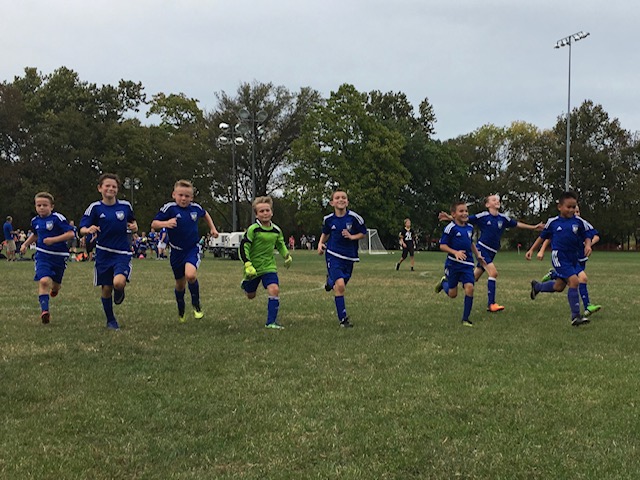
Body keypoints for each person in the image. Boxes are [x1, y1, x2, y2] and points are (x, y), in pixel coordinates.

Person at [438, 194, 543, 312]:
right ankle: (491, 304)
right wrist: (449, 217)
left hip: (492, 252)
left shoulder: (503, 218)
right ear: (487, 204)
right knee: (493, 273)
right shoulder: (483, 216)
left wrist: (534, 227)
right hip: (482, 249)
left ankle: (446, 282)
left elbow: (517, 224)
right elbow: (464, 219)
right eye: (494, 200)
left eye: (498, 200)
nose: (497, 201)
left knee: (472, 279)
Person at [151, 179, 219, 323]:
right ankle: (181, 309)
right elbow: (154, 224)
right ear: (174, 195)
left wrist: (212, 228)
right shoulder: (169, 208)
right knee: (180, 284)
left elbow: (205, 214)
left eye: (187, 196)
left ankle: (196, 304)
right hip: (176, 252)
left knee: (190, 275)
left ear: (192, 197)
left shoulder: (195, 208)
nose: (183, 198)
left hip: (192, 249)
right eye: (181, 195)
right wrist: (166, 223)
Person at [525, 191, 593, 327]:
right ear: (560, 207)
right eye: (569, 207)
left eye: (574, 207)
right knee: (574, 281)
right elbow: (542, 237)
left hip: (573, 258)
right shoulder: (553, 222)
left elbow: (587, 235)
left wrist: (588, 245)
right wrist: (532, 250)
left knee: (559, 286)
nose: (572, 210)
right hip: (559, 257)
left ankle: (538, 287)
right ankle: (576, 317)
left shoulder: (578, 222)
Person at [80, 173, 138, 330]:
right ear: (100, 188)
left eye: (114, 186)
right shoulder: (95, 208)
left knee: (118, 282)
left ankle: (120, 289)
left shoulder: (125, 206)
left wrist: (135, 227)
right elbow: (83, 228)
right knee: (106, 289)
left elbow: (133, 222)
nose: (111, 189)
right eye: (107, 185)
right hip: (103, 253)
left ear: (117, 189)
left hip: (122, 253)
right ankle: (111, 320)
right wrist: (88, 229)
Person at [20, 192, 75, 324]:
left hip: (59, 257)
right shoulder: (35, 221)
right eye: (39, 205)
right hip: (42, 255)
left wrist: (53, 240)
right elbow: (35, 234)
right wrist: (25, 244)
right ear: (35, 207)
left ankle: (55, 289)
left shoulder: (58, 218)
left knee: (56, 285)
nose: (41, 208)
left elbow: (71, 234)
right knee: (44, 281)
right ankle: (45, 311)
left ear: (52, 206)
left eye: (45, 205)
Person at [239, 196, 292, 329]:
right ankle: (245, 284)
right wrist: (247, 264)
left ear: (271, 212)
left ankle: (271, 322)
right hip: (253, 268)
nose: (265, 213)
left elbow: (280, 244)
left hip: (269, 266)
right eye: (261, 211)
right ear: (256, 214)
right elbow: (244, 246)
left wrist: (286, 255)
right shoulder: (253, 229)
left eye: (267, 210)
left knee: (274, 289)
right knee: (251, 295)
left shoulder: (276, 230)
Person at [317, 190, 367, 328]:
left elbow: (363, 233)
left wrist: (352, 237)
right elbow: (325, 233)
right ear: (332, 202)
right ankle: (343, 319)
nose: (341, 199)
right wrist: (320, 244)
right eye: (337, 197)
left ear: (347, 202)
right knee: (340, 287)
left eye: (344, 197)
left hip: (349, 257)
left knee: (340, 284)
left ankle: (329, 281)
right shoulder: (328, 219)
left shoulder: (354, 218)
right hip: (333, 255)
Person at [435, 201, 486, 327]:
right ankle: (444, 283)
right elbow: (442, 246)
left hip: (467, 264)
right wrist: (455, 252)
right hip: (453, 264)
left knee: (470, 288)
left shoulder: (469, 228)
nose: (465, 213)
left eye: (466, 211)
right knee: (453, 294)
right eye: (461, 211)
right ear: (454, 214)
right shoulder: (450, 228)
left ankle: (465, 319)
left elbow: (471, 243)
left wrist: (478, 255)